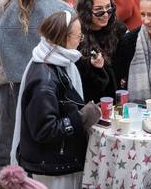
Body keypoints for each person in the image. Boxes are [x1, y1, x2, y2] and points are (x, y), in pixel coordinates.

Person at [0, 0, 72, 171]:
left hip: (15, 82)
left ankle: (10, 171)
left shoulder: (5, 8)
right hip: (53, 86)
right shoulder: (62, 9)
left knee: (15, 130)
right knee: (45, 132)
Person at [10, 11, 101, 188]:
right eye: (79, 35)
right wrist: (81, 117)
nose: (81, 40)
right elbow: (45, 130)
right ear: (65, 38)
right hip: (50, 167)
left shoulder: (55, 61)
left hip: (55, 160)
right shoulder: (44, 81)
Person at [76, 0, 126, 103]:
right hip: (91, 103)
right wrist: (93, 67)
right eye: (99, 11)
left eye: (109, 9)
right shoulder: (77, 35)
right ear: (86, 10)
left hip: (118, 101)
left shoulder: (119, 29)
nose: (105, 15)